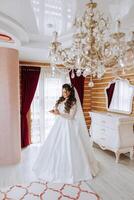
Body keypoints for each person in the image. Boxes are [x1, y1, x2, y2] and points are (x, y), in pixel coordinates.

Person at [33, 83, 99, 183]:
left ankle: (75, 169)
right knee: (56, 145)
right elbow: (60, 112)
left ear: (70, 92)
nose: (65, 93)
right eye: (63, 91)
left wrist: (59, 113)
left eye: (66, 91)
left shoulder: (73, 102)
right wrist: (55, 111)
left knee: (69, 146)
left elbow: (71, 116)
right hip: (60, 124)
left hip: (69, 126)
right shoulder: (62, 100)